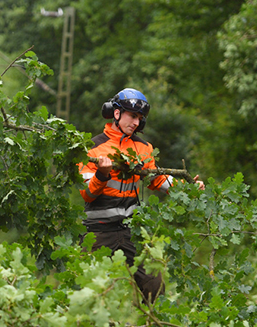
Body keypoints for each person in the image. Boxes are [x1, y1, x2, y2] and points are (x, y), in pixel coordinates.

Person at [78, 88, 204, 303]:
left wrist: (188, 189)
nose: (136, 123)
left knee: (155, 287)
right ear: (116, 114)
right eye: (132, 116)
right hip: (98, 232)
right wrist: (102, 173)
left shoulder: (143, 148)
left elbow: (157, 179)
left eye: (140, 118)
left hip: (131, 230)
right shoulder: (91, 149)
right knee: (95, 294)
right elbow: (88, 195)